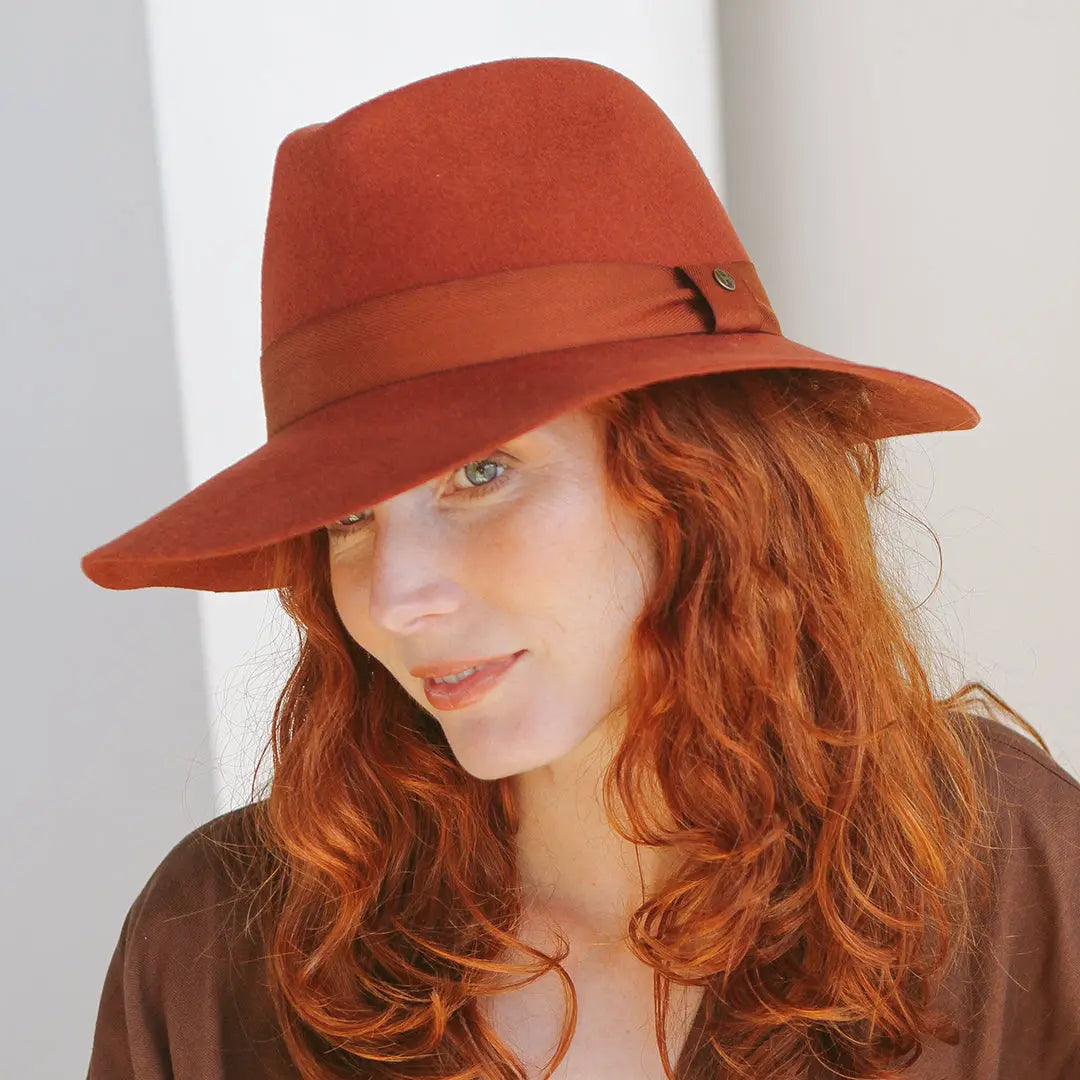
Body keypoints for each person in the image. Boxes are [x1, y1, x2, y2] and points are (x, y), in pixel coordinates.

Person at [82, 57, 1080, 1080]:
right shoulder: (217, 953)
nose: (393, 596)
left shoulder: (1009, 872)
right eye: (346, 515)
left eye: (481, 473)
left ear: (700, 479)